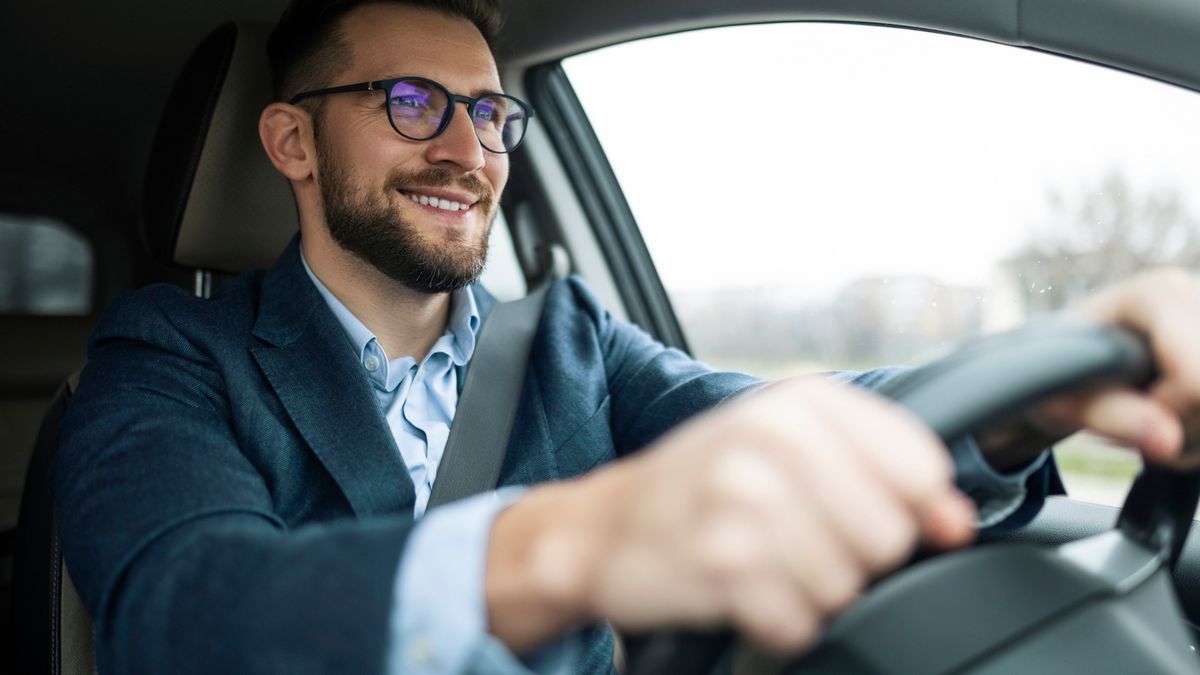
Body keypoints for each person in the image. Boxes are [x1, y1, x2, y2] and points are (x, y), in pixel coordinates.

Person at [52, 0, 1200, 673]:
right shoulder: (171, 356)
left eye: (492, 112)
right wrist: (564, 544)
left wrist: (1032, 387)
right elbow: (179, 607)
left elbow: (784, 427)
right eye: (413, 104)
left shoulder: (570, 344)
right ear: (294, 144)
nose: (471, 151)